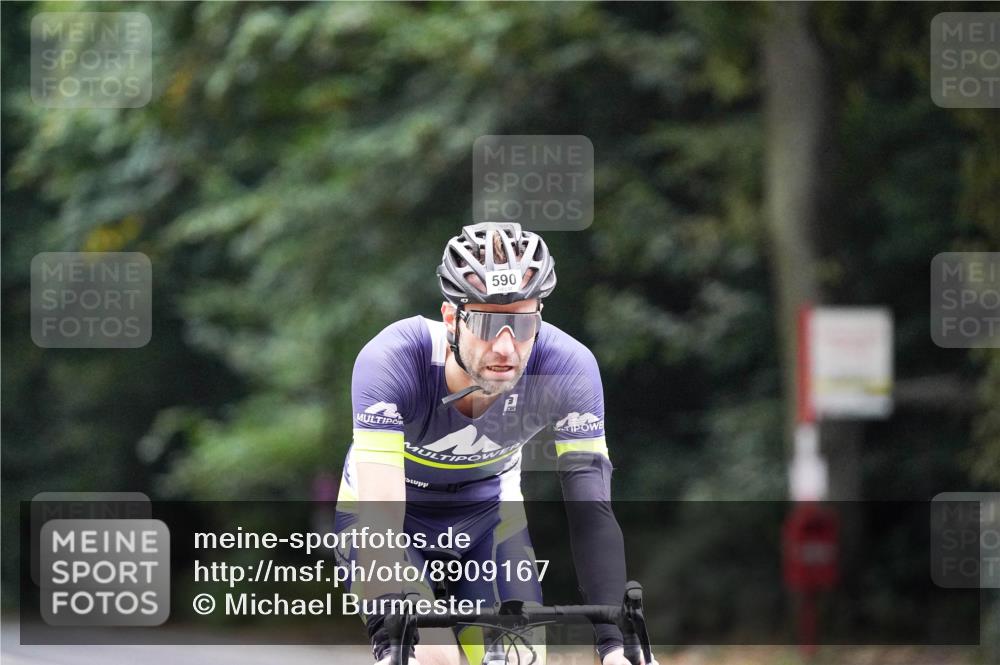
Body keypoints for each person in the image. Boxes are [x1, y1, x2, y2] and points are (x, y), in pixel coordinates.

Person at [334, 222, 655, 665]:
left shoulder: (568, 367)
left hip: (489, 518)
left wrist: (616, 643)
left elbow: (591, 511)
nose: (506, 346)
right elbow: (381, 515)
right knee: (435, 660)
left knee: (520, 659)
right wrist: (394, 626)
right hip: (388, 518)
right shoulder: (393, 360)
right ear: (451, 319)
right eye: (487, 322)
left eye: (523, 324)